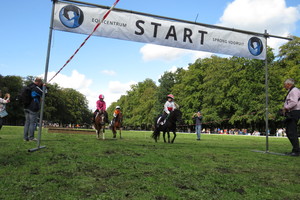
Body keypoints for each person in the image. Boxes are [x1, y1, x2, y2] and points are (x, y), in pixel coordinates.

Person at [23, 77, 46, 142]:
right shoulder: (36, 88)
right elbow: (44, 93)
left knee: (27, 122)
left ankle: (25, 137)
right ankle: (31, 138)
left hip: (26, 106)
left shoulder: (29, 86)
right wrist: (44, 87)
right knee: (32, 123)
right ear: (39, 82)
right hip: (33, 107)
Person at [282, 78, 300, 156]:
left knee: (291, 131)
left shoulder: (294, 90)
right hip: (292, 112)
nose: (284, 86)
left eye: (284, 84)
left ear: (289, 84)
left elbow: (294, 102)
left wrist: (286, 108)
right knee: (289, 131)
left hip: (294, 112)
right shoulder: (292, 91)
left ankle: (296, 151)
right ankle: (295, 150)